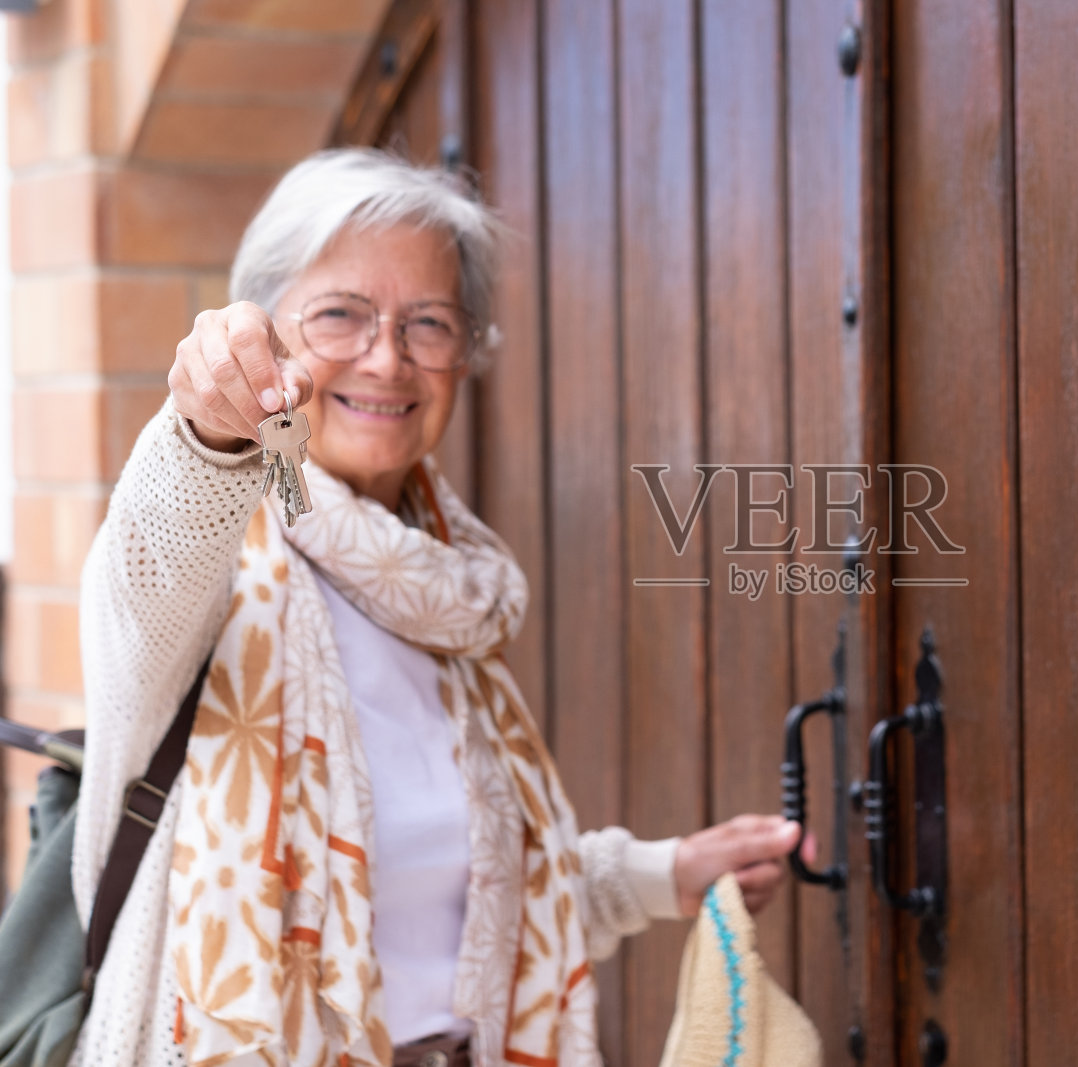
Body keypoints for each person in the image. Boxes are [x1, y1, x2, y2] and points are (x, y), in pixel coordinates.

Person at [70, 148, 804, 1067]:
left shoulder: (451, 595)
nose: (388, 357)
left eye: (429, 324)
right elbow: (153, 547)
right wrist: (209, 433)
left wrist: (667, 875)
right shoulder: (210, 569)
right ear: (265, 336)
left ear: (466, 354)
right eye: (340, 315)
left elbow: (490, 896)